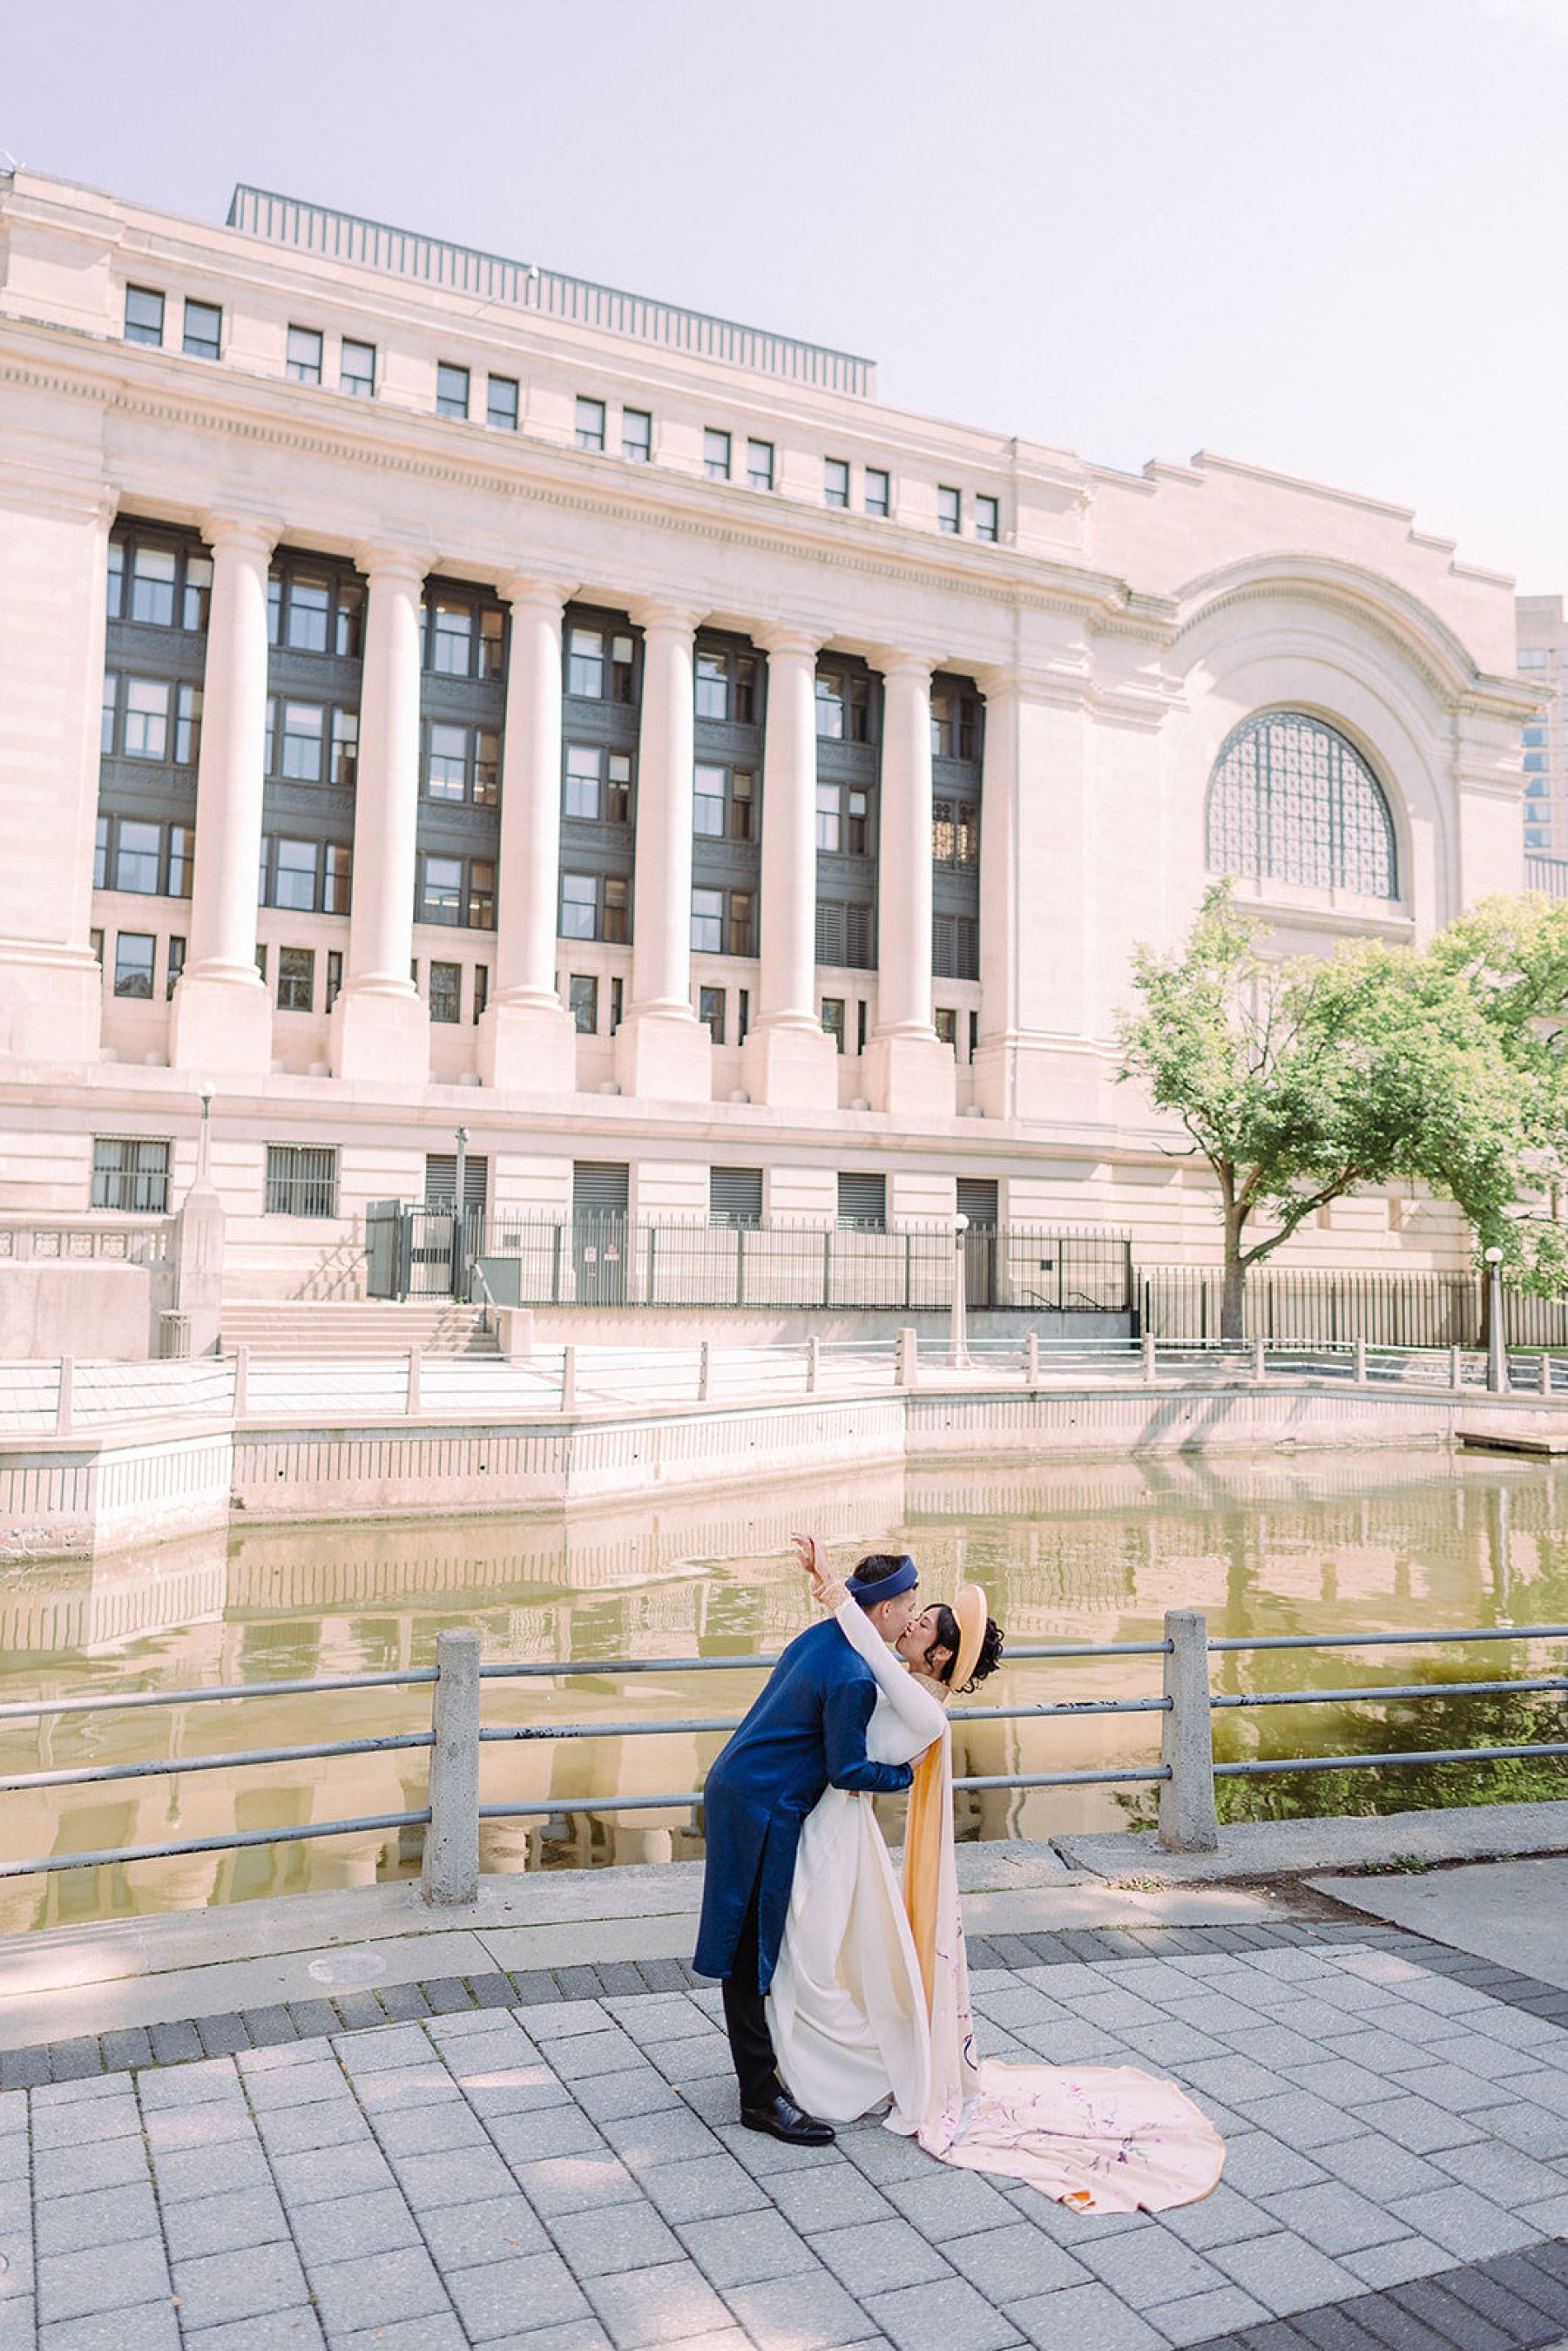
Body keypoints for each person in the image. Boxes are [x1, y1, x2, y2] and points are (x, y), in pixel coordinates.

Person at [771, 1535, 1227, 2214]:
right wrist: (826, 1581)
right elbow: (866, 1653)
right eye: (915, 1613)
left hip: (840, 1830)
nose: (913, 1620)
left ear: (941, 1656)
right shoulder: (905, 1689)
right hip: (835, 1826)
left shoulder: (924, 1706)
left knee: (811, 1956)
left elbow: (867, 1647)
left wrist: (832, 1581)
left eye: (923, 1622)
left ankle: (849, 2075)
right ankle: (831, 2068)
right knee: (818, 1955)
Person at [691, 1550, 924, 2145]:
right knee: (748, 1943)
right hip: (762, 1805)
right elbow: (848, 1770)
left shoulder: (823, 1638)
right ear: (888, 1607)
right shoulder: (853, 1676)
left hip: (740, 1785)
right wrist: (905, 1778)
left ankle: (766, 2076)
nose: (912, 1619)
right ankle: (760, 2097)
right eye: (911, 1608)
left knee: (754, 1938)